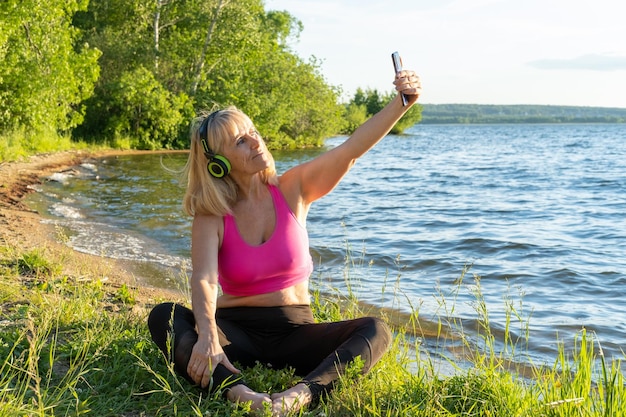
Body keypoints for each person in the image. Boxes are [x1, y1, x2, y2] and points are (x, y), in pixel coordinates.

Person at [148, 67, 421, 416]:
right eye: (240, 142)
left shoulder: (293, 190)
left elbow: (350, 150)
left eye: (253, 132)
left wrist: (401, 103)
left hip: (297, 331)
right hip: (236, 334)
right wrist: (208, 335)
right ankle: (238, 394)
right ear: (217, 164)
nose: (256, 142)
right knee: (165, 317)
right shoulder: (211, 214)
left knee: (376, 330)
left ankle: (301, 395)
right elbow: (204, 278)